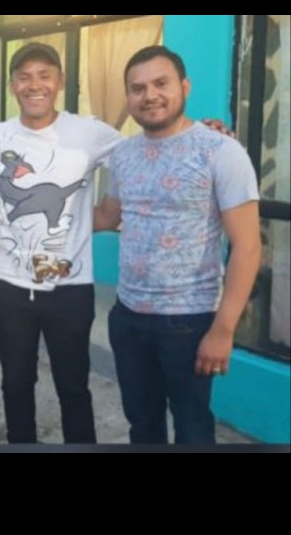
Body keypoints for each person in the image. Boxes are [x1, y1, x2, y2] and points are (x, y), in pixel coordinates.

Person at [94, 45, 260, 444]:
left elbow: (248, 247)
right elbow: (107, 217)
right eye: (138, 88)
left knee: (192, 429)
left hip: (189, 322)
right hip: (128, 315)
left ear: (184, 87)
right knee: (142, 425)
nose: (149, 95)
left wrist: (223, 330)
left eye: (160, 83)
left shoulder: (221, 151)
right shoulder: (123, 154)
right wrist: (29, 215)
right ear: (128, 96)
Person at [0, 42, 120, 443]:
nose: (34, 85)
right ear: (12, 85)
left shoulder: (90, 133)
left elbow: (145, 154)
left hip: (69, 287)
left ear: (59, 81)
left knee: (73, 386)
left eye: (44, 75)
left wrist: (110, 210)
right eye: (24, 77)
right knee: (15, 384)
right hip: (8, 286)